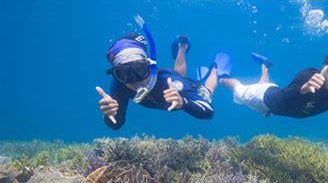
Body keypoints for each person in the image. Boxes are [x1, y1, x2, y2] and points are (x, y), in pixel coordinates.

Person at [96, 16, 230, 130]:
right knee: (178, 74)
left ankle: (215, 69)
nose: (134, 81)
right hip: (172, 82)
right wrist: (109, 115)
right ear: (116, 75)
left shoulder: (168, 81)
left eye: (139, 70)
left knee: (205, 90)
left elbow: (209, 111)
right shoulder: (119, 84)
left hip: (177, 84)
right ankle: (181, 46)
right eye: (123, 73)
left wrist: (183, 102)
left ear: (149, 65)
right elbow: (116, 124)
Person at [219, 42, 328, 126]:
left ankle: (265, 66)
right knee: (238, 89)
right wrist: (302, 90)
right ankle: (223, 76)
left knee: (262, 84)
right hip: (262, 98)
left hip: (272, 103)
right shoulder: (308, 76)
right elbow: (282, 101)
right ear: (324, 68)